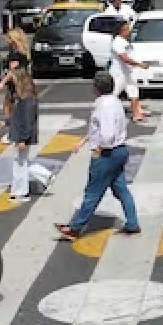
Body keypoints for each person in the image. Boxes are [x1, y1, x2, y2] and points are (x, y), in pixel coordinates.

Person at [55, 72, 139, 240]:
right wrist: (84, 141)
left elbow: (106, 135)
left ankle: (75, 228)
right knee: (120, 188)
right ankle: (132, 223)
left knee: (93, 192)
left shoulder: (103, 106)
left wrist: (98, 150)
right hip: (119, 151)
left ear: (96, 89)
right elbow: (98, 129)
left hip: (107, 154)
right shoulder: (114, 101)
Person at [6, 67, 39, 203]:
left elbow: (27, 120)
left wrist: (23, 139)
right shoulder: (20, 96)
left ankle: (21, 192)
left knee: (20, 163)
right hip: (19, 134)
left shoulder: (27, 99)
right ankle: (17, 190)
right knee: (19, 162)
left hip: (22, 136)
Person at [110, 20, 150, 122]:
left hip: (128, 72)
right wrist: (140, 65)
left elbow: (131, 55)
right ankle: (104, 111)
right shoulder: (117, 42)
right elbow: (125, 59)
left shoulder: (125, 41)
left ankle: (137, 113)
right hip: (119, 74)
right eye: (127, 29)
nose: (129, 31)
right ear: (121, 30)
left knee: (133, 92)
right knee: (113, 94)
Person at [0, 28, 32, 143]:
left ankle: (12, 133)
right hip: (24, 83)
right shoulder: (24, 51)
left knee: (10, 107)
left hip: (15, 84)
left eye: (8, 38)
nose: (7, 40)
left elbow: (13, 70)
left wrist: (2, 82)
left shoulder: (15, 54)